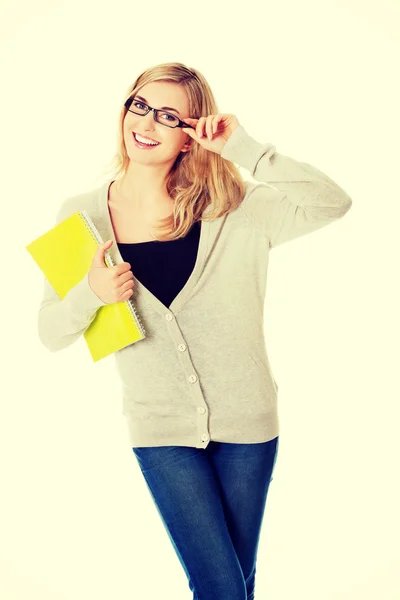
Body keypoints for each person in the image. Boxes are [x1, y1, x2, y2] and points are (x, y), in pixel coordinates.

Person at [38, 62, 352, 600]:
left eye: (168, 116)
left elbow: (332, 203)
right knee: (221, 587)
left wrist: (245, 148)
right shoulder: (82, 216)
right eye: (140, 105)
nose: (147, 123)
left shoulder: (235, 207)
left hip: (248, 428)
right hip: (161, 433)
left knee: (235, 583)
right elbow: (50, 332)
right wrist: (92, 293)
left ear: (190, 135)